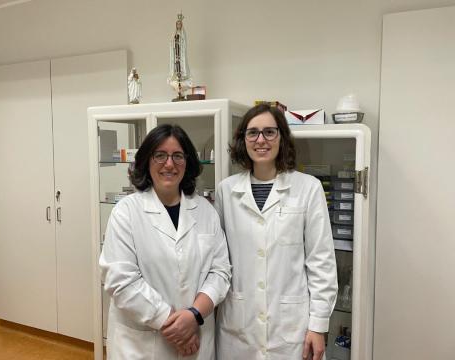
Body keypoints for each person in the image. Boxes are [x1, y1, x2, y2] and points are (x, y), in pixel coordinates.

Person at [215, 103, 338, 360]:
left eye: (269, 132)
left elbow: (321, 261)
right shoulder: (226, 191)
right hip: (240, 324)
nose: (261, 140)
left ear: (281, 137)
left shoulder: (308, 188)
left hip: (292, 328)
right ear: (243, 140)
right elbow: (219, 260)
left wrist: (318, 325)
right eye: (253, 133)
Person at [100, 124, 231, 359]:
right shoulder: (126, 213)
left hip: (197, 337)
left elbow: (220, 272)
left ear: (187, 162)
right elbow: (121, 282)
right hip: (143, 345)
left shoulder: (205, 211)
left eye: (177, 156)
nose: (169, 164)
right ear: (146, 161)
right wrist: (176, 327)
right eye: (160, 155)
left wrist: (193, 316)